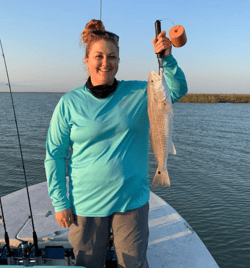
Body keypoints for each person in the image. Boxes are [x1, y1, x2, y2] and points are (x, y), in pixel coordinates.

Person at [45, 19, 188, 268]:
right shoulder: (69, 103)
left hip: (131, 202)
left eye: (112, 57)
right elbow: (55, 155)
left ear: (118, 61)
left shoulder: (138, 93)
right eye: (98, 56)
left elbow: (176, 91)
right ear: (87, 60)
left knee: (133, 264)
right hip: (85, 204)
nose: (105, 62)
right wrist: (60, 202)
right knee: (86, 264)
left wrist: (167, 59)